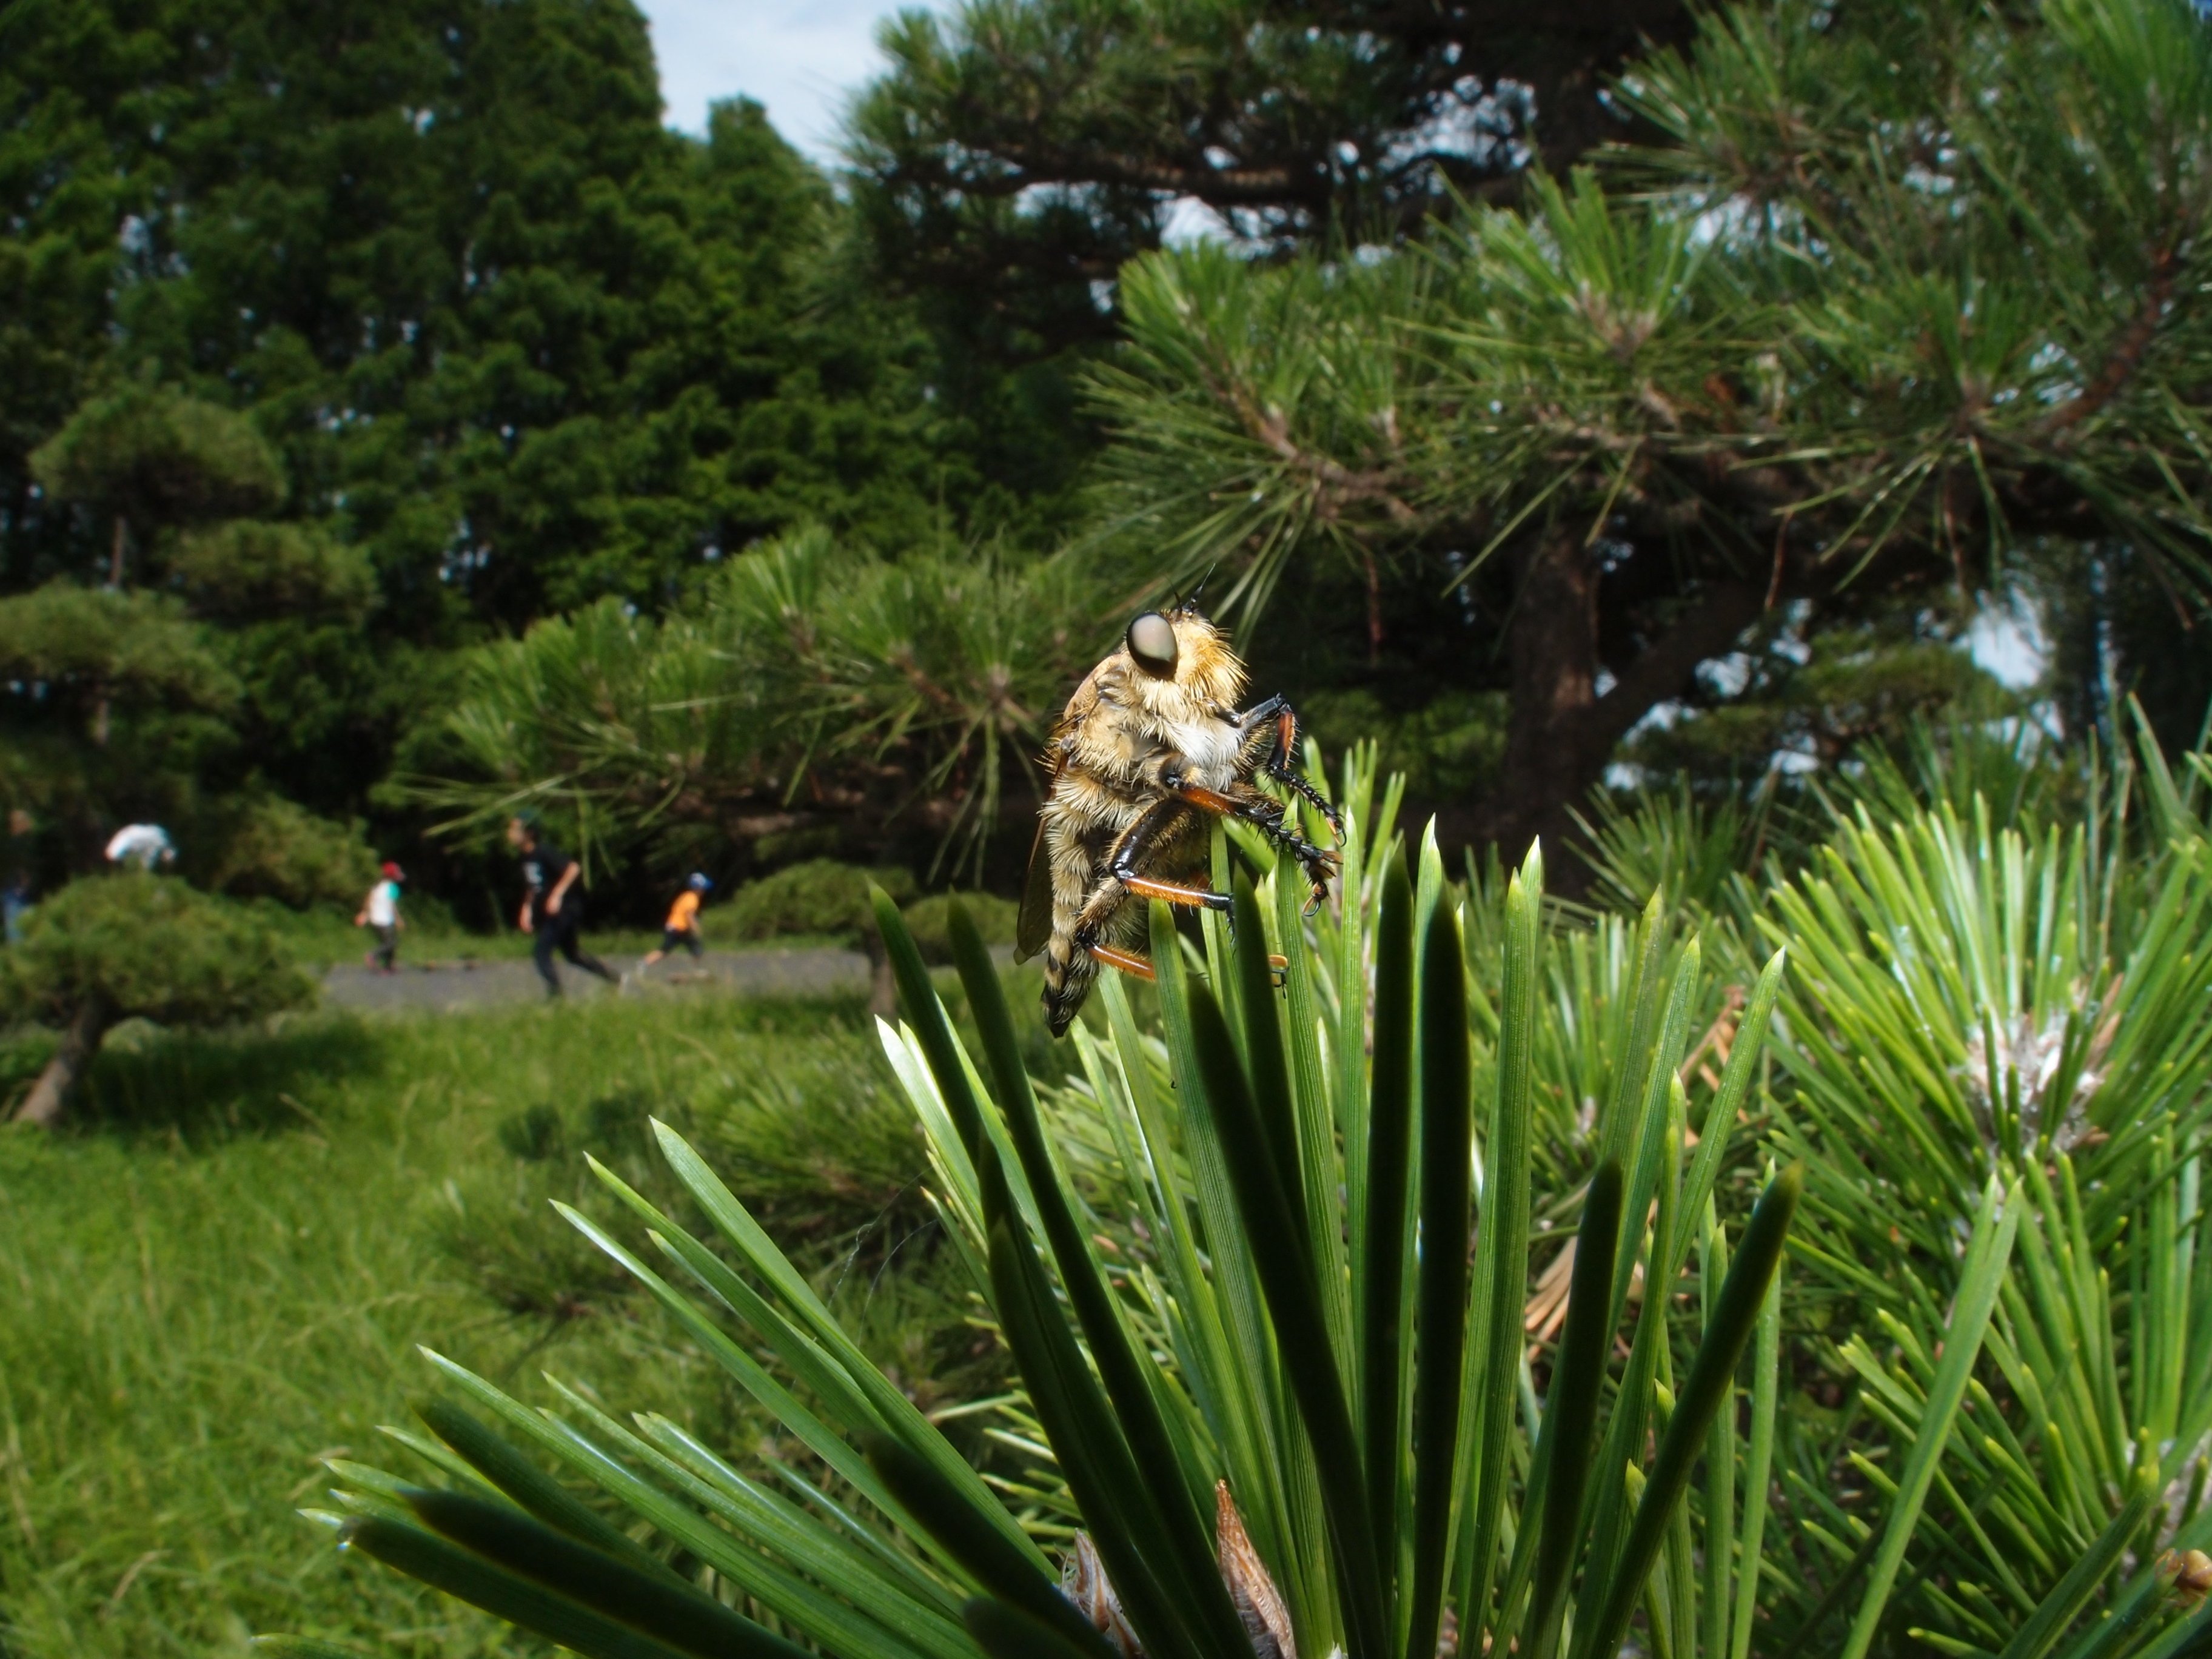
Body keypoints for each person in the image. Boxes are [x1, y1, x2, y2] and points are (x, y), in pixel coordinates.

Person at [506, 814, 618, 996]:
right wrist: (526, 909)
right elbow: (533, 886)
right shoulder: (525, 857)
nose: (510, 833)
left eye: (515, 829)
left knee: (541, 953)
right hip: (555, 913)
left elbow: (573, 869)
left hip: (566, 909)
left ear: (529, 833)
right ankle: (615, 980)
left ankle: (557, 997)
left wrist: (557, 894)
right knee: (573, 955)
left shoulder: (544, 851)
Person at [635, 873, 712, 979]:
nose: (704, 891)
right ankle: (644, 963)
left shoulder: (685, 896)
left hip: (676, 928)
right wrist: (696, 929)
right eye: (703, 888)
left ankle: (644, 963)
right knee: (689, 948)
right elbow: (689, 916)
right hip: (678, 929)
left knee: (692, 948)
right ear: (698, 888)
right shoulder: (693, 899)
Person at [356, 861, 406, 972]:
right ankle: (373, 956)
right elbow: (392, 905)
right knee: (390, 943)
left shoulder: (377, 886)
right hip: (385, 920)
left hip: (375, 919)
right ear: (392, 876)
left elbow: (369, 900)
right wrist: (398, 919)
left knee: (390, 942)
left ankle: (390, 966)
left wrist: (364, 914)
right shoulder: (392, 888)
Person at [104, 823, 176, 871]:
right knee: (112, 855)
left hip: (132, 831)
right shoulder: (158, 843)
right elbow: (148, 861)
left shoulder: (160, 836)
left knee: (112, 854)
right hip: (132, 837)